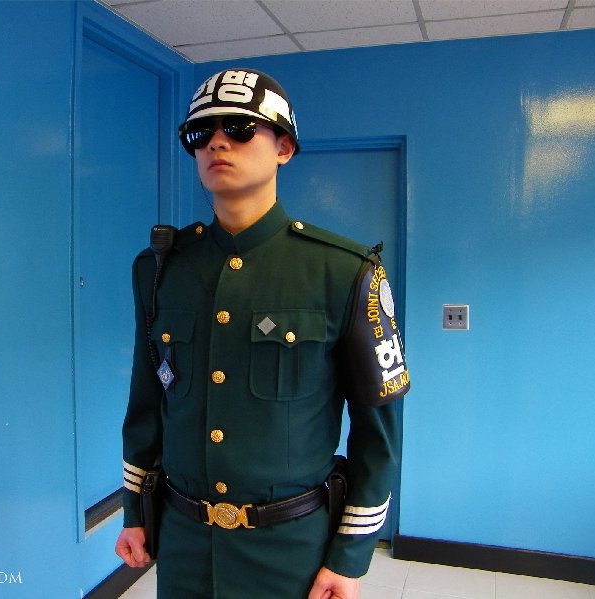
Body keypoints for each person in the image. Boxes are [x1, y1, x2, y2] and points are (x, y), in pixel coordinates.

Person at [115, 68, 410, 599]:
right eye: (199, 135)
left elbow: (379, 436)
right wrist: (135, 513)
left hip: (291, 549)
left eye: (240, 128)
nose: (217, 142)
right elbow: (145, 405)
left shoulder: (344, 272)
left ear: (285, 148)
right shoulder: (160, 269)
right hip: (184, 542)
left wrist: (349, 556)